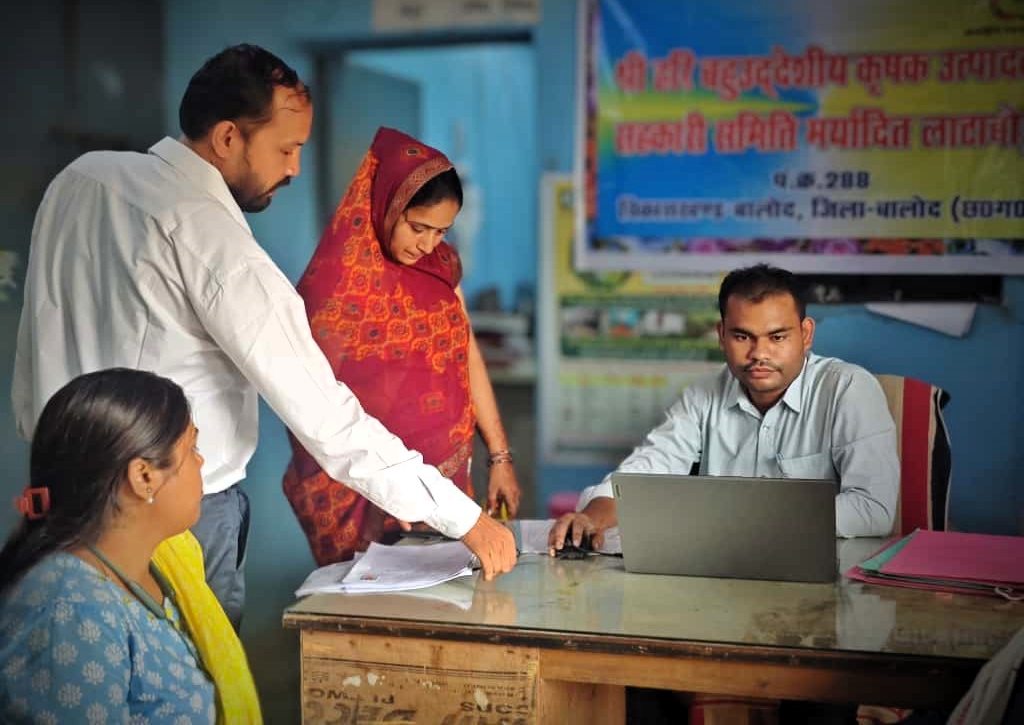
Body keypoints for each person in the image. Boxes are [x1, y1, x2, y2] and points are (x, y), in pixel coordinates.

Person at [12, 44, 516, 628]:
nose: (295, 168)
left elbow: (38, 337)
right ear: (228, 138)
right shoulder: (214, 242)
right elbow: (327, 418)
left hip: (58, 507)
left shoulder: (82, 179)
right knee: (185, 698)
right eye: (286, 148)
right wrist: (465, 520)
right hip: (169, 519)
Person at [283, 127, 521, 565]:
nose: (428, 244)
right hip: (362, 491)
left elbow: (466, 356)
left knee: (449, 599)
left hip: (448, 484)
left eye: (442, 232)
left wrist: (500, 455)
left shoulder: (440, 269)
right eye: (418, 227)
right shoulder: (334, 288)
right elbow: (312, 404)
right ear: (387, 205)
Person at [549, 263, 899, 553]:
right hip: (719, 574)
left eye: (777, 337)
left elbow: (874, 509)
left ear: (806, 334)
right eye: (742, 336)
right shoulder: (704, 395)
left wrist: (750, 522)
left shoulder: (848, 389)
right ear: (721, 335)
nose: (759, 354)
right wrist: (593, 516)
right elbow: (644, 472)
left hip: (826, 580)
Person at [0, 368, 261, 724]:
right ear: (143, 477)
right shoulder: (68, 609)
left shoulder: (158, 565)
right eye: (192, 449)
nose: (201, 461)